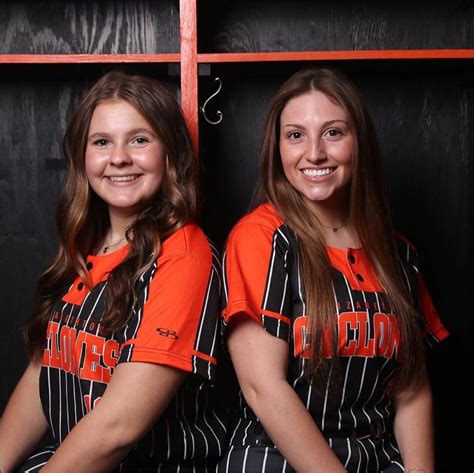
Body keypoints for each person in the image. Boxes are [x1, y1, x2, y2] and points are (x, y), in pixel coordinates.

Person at [219, 67, 448, 473]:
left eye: (333, 133)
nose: (314, 153)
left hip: (376, 458)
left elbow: (412, 391)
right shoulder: (262, 237)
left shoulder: (399, 253)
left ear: (360, 142)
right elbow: (263, 388)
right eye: (295, 135)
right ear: (277, 148)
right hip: (276, 459)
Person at [0, 71, 227, 473]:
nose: (118, 158)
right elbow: (44, 371)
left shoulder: (184, 255)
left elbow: (119, 428)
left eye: (139, 140)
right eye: (102, 142)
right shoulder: (89, 242)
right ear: (82, 156)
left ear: (170, 152)